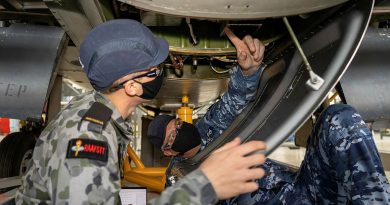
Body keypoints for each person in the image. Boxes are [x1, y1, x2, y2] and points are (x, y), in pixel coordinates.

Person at [15, 19, 267, 205]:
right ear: (133, 86)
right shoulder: (88, 138)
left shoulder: (97, 115)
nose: (162, 70)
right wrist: (206, 185)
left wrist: (248, 72)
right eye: (154, 70)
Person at [149, 108, 390, 203]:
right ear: (169, 151)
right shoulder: (180, 177)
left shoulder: (208, 129)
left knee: (338, 117)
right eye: (173, 136)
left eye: (178, 124)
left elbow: (236, 97)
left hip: (304, 189)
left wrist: (248, 70)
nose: (180, 131)